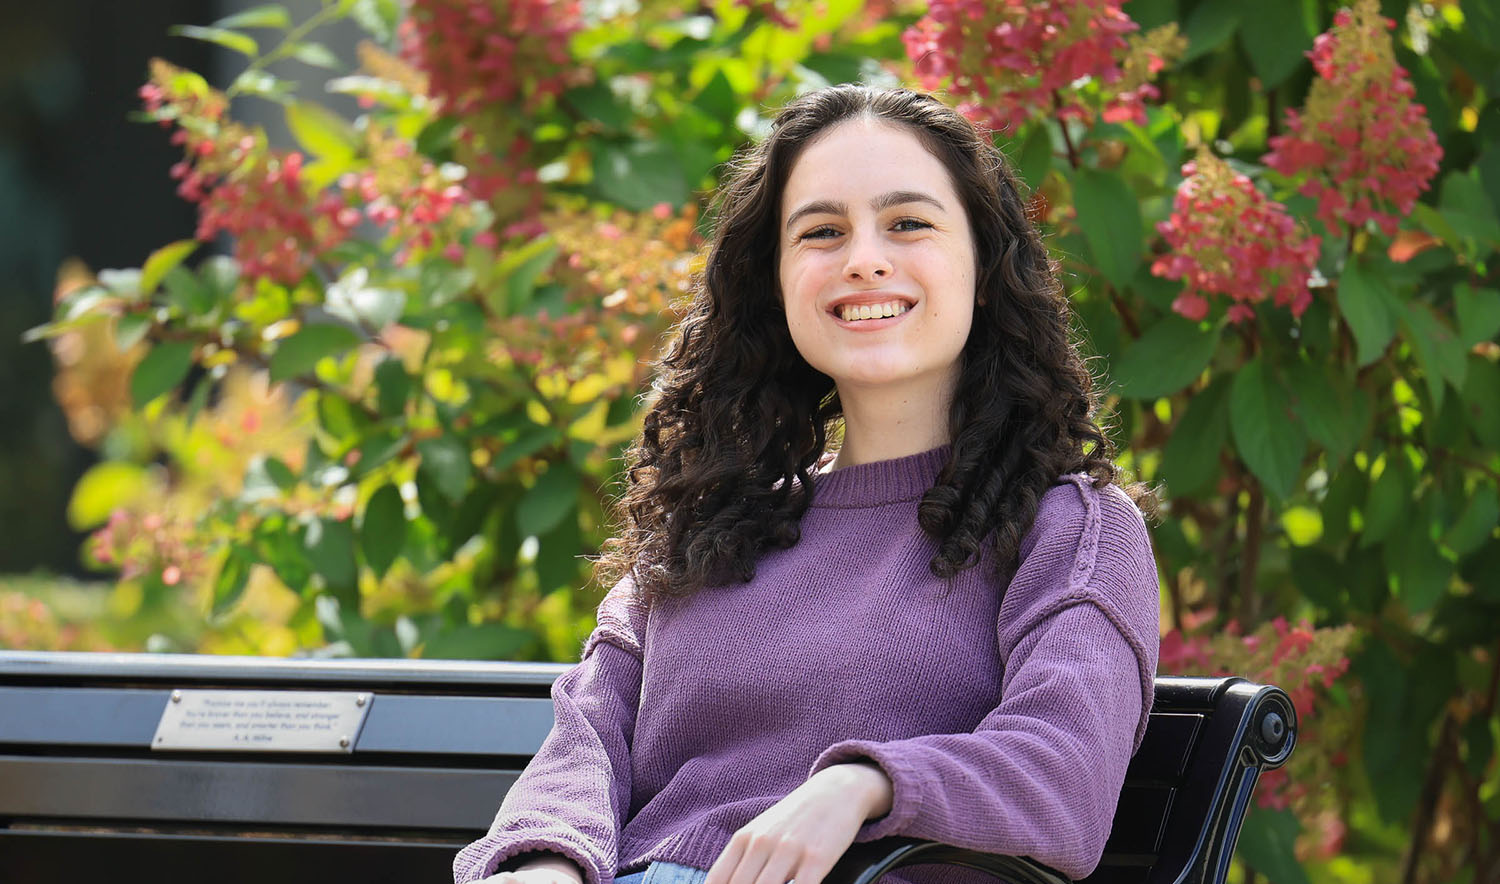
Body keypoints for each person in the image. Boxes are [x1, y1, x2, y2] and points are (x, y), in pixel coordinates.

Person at [454, 84, 1160, 884]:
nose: (863, 257)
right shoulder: (712, 520)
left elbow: (1062, 781)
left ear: (987, 271)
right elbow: (587, 740)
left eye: (908, 224)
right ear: (778, 281)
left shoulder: (1066, 527)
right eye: (822, 231)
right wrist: (547, 862)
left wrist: (863, 786)